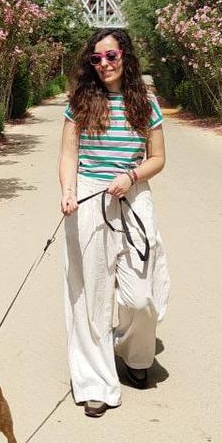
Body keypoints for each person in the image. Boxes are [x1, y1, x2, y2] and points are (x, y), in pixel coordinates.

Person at [59, 29, 170, 417]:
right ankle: (94, 382)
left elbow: (158, 158)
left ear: (125, 55)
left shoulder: (146, 103)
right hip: (90, 197)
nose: (104, 64)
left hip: (132, 195)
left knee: (140, 296)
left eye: (110, 56)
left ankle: (134, 354)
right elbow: (69, 153)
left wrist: (132, 177)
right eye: (96, 59)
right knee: (90, 294)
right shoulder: (80, 102)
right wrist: (68, 191)